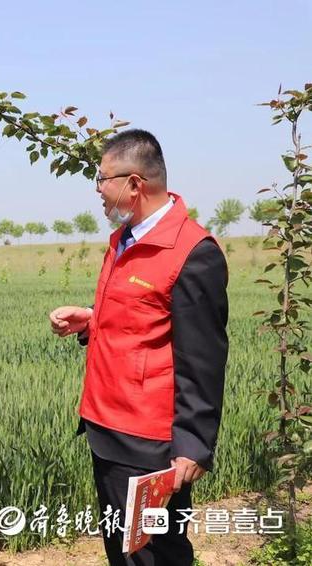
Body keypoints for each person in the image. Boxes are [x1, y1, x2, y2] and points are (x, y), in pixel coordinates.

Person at [49, 129, 228, 566]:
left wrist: (193, 445)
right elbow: (142, 316)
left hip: (149, 444)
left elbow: (203, 359)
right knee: (121, 550)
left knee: (155, 556)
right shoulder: (124, 238)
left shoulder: (191, 252)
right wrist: (91, 320)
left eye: (102, 178)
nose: (97, 189)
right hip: (105, 429)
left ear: (134, 183)